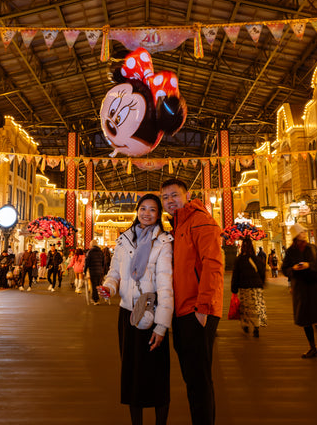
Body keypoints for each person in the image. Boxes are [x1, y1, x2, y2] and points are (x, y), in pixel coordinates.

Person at [99, 193, 173, 425]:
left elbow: (165, 286)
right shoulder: (124, 240)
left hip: (152, 314)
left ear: (159, 215)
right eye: (143, 208)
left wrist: (161, 326)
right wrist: (109, 288)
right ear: (137, 211)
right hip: (128, 314)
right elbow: (114, 273)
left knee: (157, 374)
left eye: (152, 209)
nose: (146, 213)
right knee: (131, 373)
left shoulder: (164, 242)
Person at [160, 178, 223, 425]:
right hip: (182, 310)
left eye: (174, 195)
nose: (170, 201)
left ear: (187, 196)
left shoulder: (200, 221)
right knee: (192, 377)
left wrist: (203, 307)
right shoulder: (178, 226)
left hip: (197, 310)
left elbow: (213, 264)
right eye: (165, 197)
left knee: (198, 379)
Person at [281, 224, 317, 358]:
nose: (304, 234)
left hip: (315, 287)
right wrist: (293, 269)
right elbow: (284, 269)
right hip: (301, 289)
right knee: (306, 320)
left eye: (304, 232)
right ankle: (312, 347)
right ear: (296, 236)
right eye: (301, 232)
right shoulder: (290, 252)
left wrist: (309, 265)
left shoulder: (312, 248)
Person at [231, 237, 266, 337]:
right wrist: (261, 283)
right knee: (256, 306)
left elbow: (235, 275)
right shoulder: (256, 259)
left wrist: (234, 288)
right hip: (256, 287)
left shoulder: (239, 260)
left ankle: (245, 324)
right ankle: (256, 326)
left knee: (245, 307)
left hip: (244, 287)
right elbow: (262, 272)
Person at [85, 240, 106, 305]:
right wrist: (103, 270)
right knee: (98, 284)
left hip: (93, 270)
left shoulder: (90, 252)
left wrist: (85, 271)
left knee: (94, 285)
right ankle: (96, 297)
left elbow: (87, 262)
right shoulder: (101, 252)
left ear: (91, 245)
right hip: (99, 271)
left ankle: (96, 300)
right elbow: (103, 262)